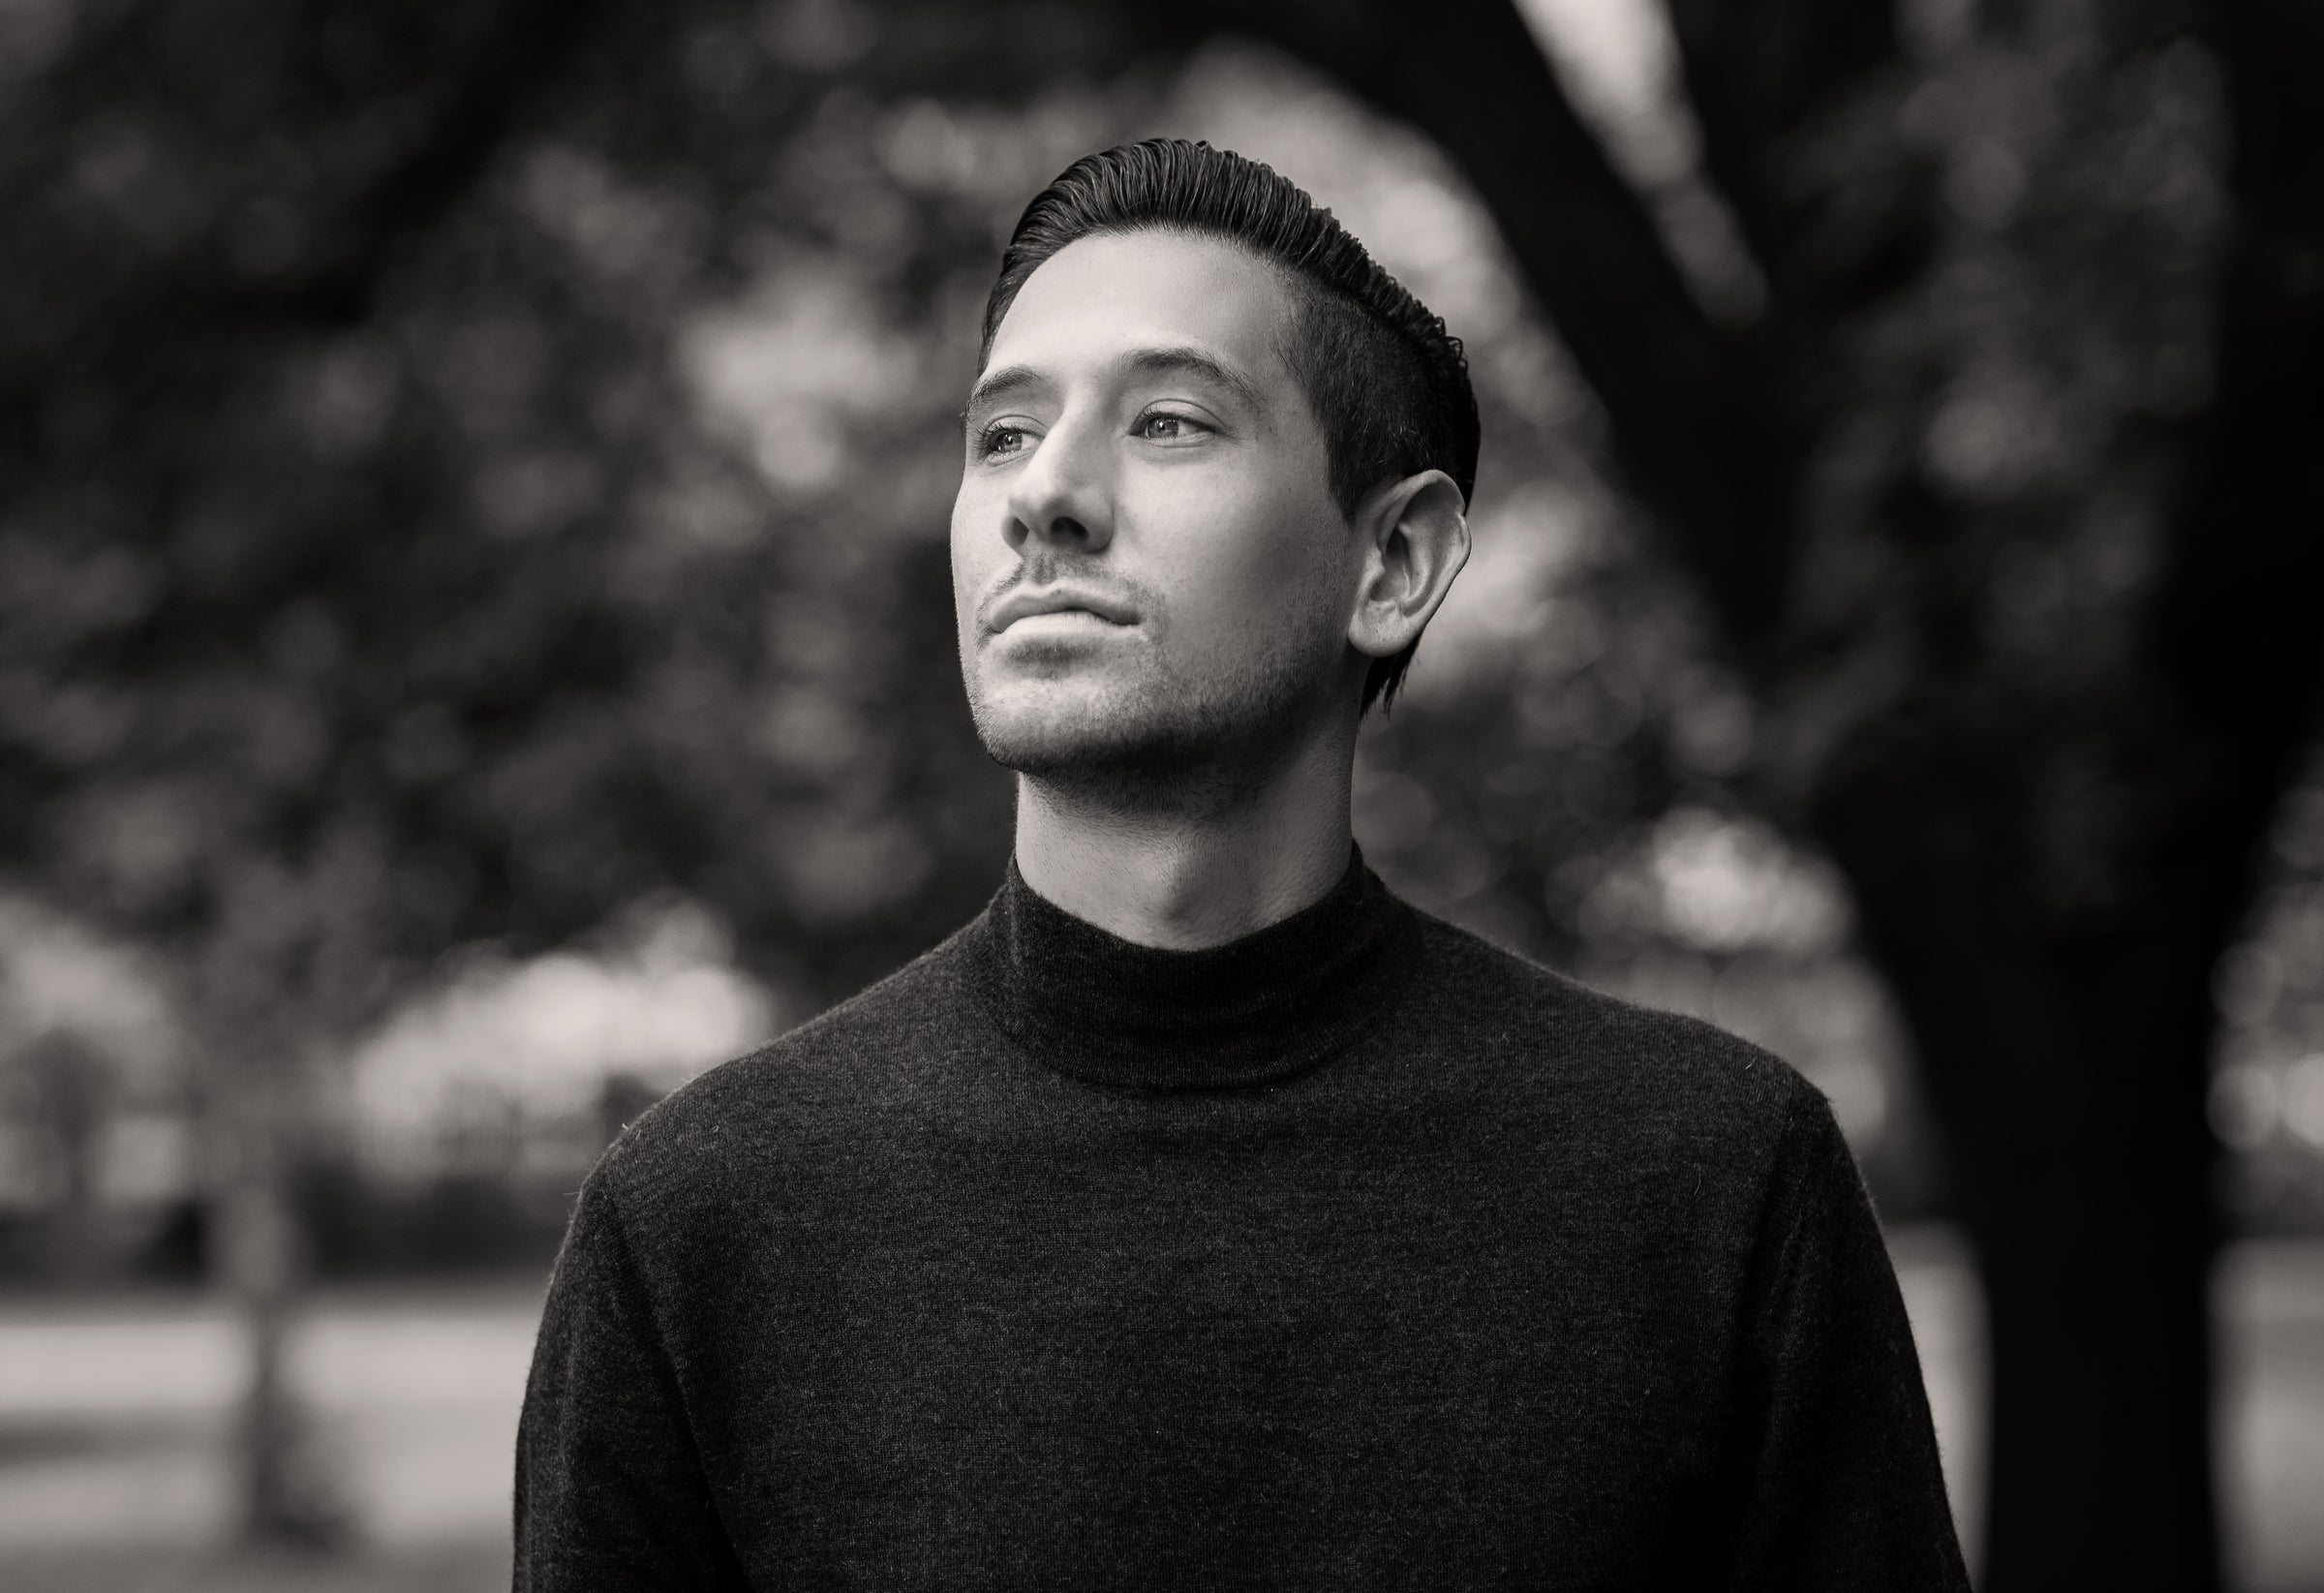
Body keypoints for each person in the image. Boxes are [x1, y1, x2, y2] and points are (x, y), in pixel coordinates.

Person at [513, 138, 1971, 1591]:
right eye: (1003, 435)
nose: (1044, 495)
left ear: (1393, 564)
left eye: (1168, 421)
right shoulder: (703, 1222)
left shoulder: (1710, 1186)